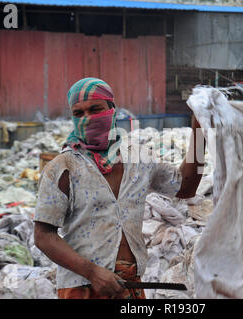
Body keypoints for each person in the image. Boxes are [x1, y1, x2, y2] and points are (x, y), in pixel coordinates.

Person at [34, 77, 204, 299]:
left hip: (130, 284)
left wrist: (199, 132)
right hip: (82, 288)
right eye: (79, 113)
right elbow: (43, 236)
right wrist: (93, 273)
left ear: (112, 110)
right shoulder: (62, 168)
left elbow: (186, 187)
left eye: (95, 109)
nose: (87, 119)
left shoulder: (139, 158)